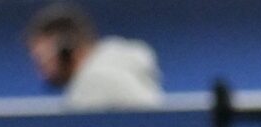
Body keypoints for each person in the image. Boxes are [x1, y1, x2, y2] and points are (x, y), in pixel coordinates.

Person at [25, 3, 161, 109]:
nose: (41, 73)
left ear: (66, 46)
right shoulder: (117, 64)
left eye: (42, 59)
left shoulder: (92, 83)